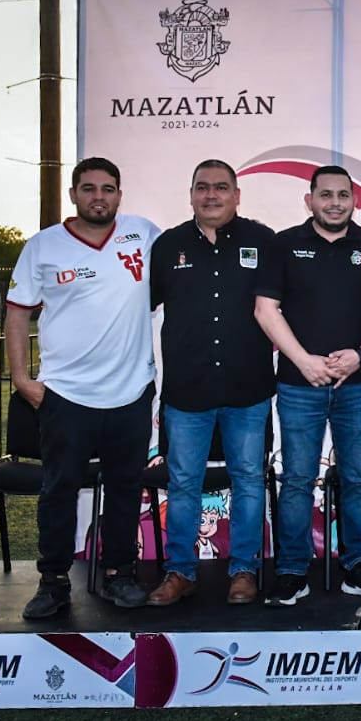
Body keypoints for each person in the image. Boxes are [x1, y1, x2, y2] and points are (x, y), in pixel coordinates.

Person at [7, 157, 159, 619]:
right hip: (67, 395)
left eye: (108, 189)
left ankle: (119, 574)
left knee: (125, 488)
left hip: (131, 392)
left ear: (119, 194)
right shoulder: (44, 246)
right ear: (73, 194)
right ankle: (53, 582)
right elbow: (17, 313)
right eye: (89, 188)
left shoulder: (144, 234)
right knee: (59, 489)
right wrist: (22, 379)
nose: (99, 197)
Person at [255, 165, 361, 606]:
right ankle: (291, 570)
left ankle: (357, 565)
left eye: (343, 195)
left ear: (354, 200)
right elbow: (265, 309)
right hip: (298, 384)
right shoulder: (283, 244)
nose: (335, 203)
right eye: (326, 195)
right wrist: (303, 361)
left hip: (357, 385)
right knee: (298, 479)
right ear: (310, 200)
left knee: (358, 479)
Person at [145, 159, 275, 607]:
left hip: (248, 389)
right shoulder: (168, 246)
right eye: (203, 187)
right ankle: (180, 572)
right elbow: (138, 308)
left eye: (221, 187)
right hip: (187, 392)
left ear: (237, 195)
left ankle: (244, 571)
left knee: (248, 480)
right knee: (183, 483)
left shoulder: (263, 241)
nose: (212, 195)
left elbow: (283, 307)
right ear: (191, 195)